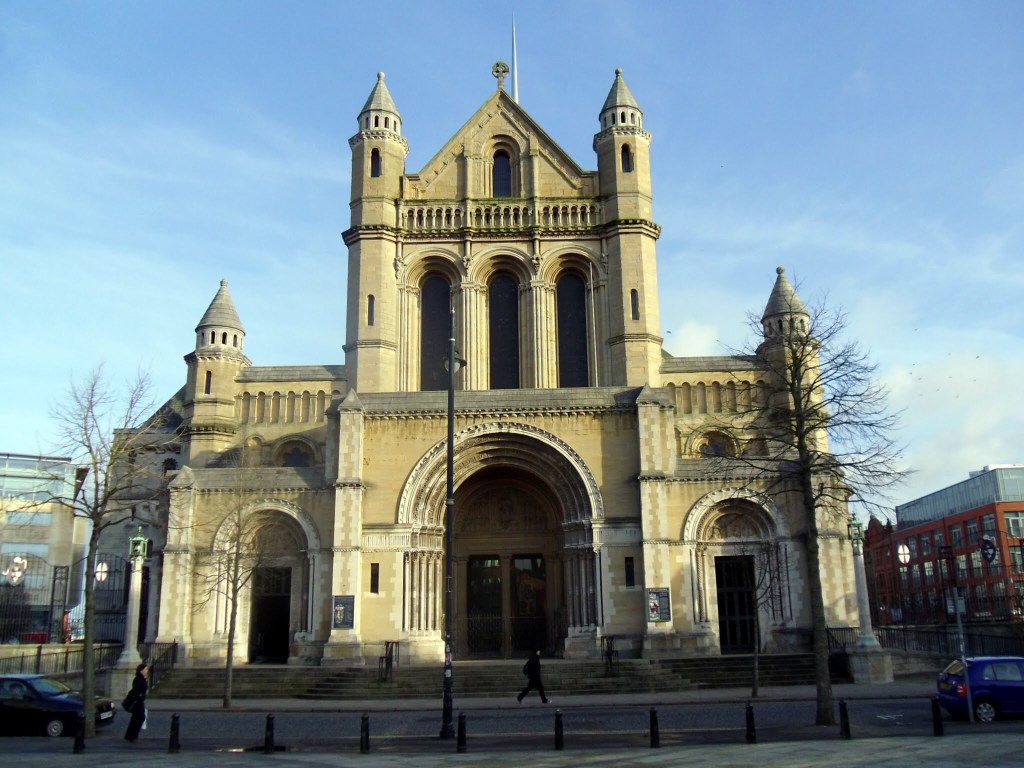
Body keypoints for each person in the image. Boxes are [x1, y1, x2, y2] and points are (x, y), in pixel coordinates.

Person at [123, 663, 149, 742]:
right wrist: (140, 697)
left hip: (139, 701)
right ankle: (133, 736)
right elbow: (135, 691)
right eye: (145, 669)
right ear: (141, 671)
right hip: (137, 702)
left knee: (135, 718)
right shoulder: (138, 679)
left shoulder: (142, 678)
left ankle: (130, 735)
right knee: (141, 717)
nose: (147, 671)